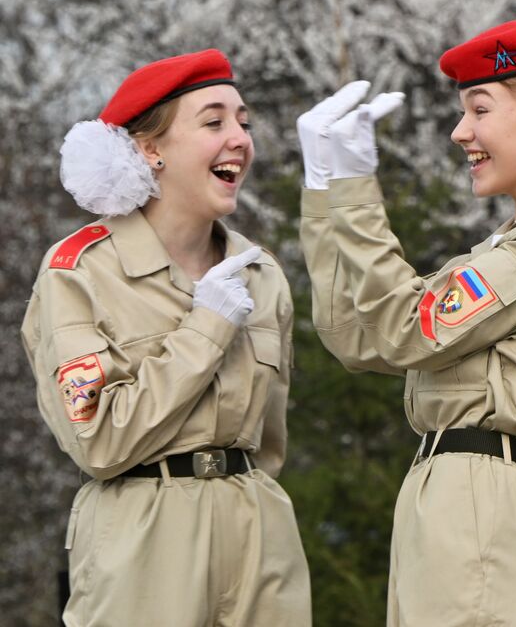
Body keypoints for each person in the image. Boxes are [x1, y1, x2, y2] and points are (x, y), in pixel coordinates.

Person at [297, 15, 516, 627]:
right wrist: (325, 192)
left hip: (485, 502)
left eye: (480, 108)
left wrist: (358, 189)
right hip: (458, 497)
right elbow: (357, 336)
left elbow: (408, 328)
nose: (459, 131)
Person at [22, 48, 311, 627]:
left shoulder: (262, 275)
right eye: (213, 122)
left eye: (243, 122)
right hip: (142, 543)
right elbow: (99, 442)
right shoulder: (79, 271)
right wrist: (206, 327)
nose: (239, 139)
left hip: (260, 539)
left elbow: (268, 443)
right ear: (150, 150)